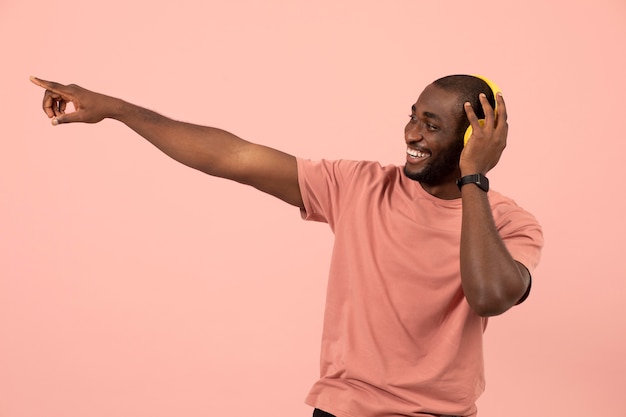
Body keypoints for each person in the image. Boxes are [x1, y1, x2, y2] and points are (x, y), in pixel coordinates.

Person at [31, 74, 543, 417]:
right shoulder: (360, 186)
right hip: (344, 410)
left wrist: (475, 176)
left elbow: (489, 295)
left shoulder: (508, 223)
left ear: (477, 137)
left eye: (431, 125)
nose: (411, 132)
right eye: (412, 115)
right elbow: (233, 155)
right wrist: (118, 109)